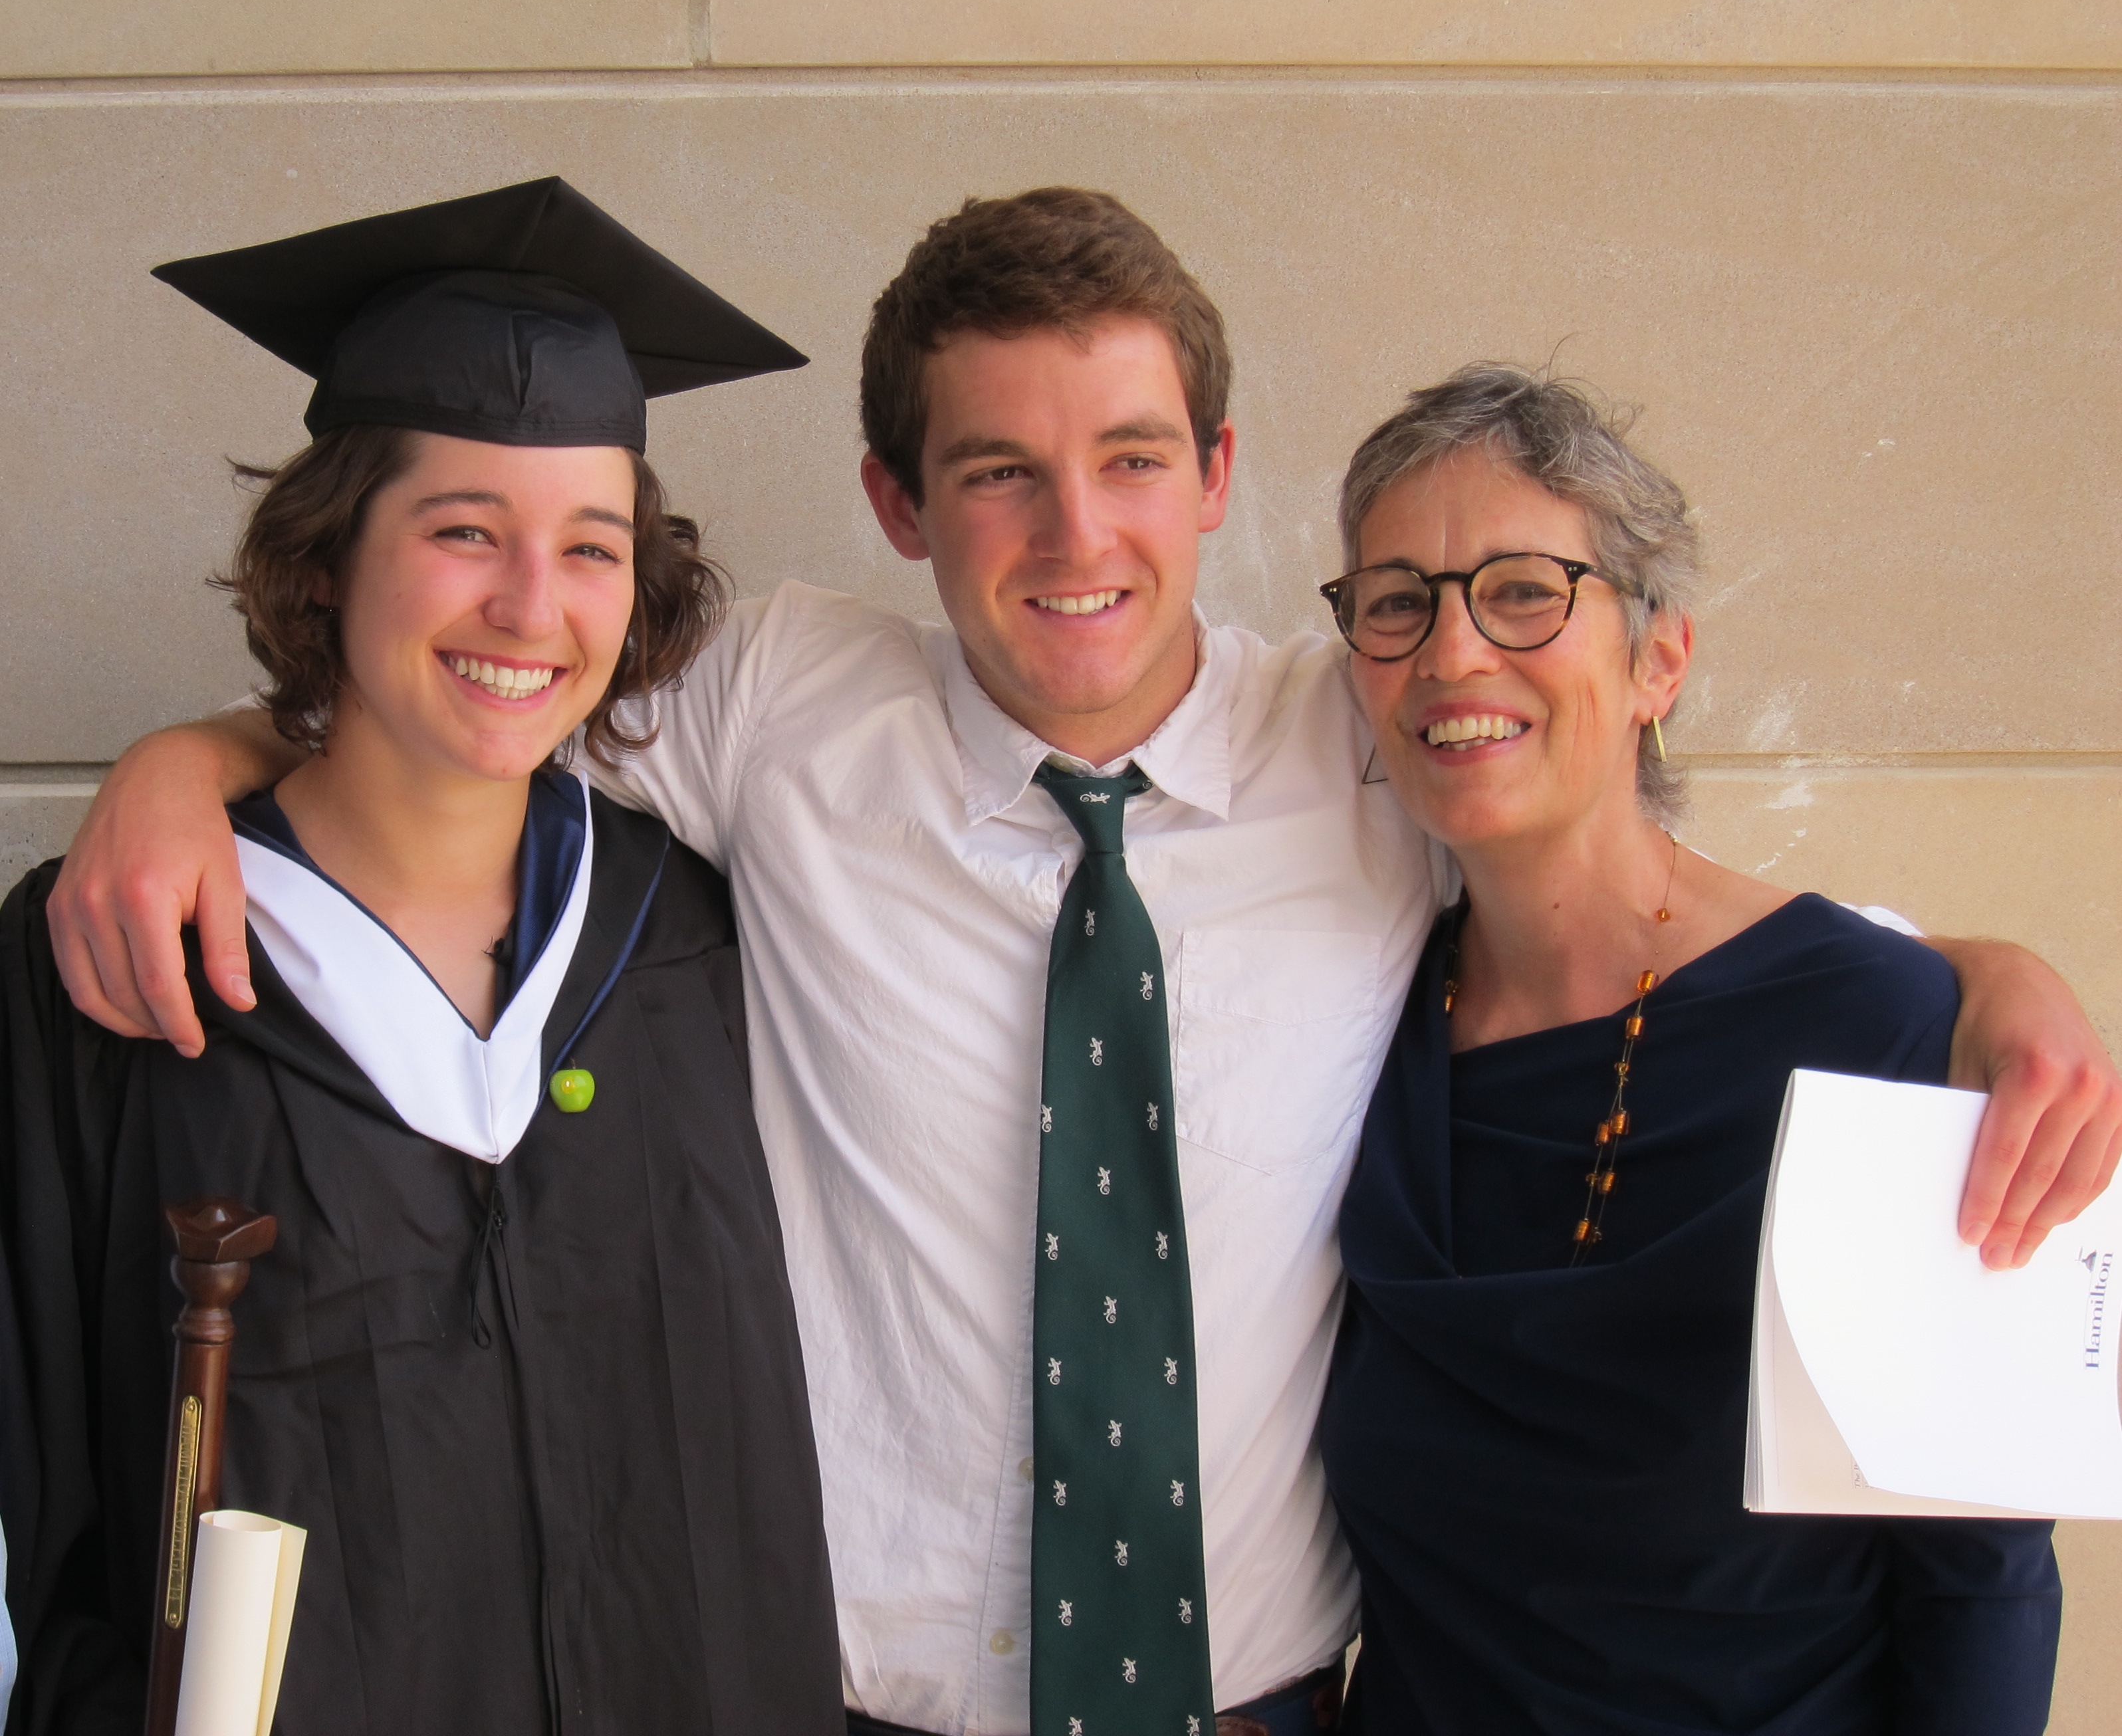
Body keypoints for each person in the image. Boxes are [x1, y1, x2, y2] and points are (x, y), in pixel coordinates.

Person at [37, 191, 2121, 1736]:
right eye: (996, 473)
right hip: (859, 1700)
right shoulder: (774, 706)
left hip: (1277, 1703)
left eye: (1133, 461)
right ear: (891, 500)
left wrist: (1968, 979)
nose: (1076, 538)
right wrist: (190, 766)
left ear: (1217, 478)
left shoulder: (1373, 723)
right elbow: (462, 688)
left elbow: (1624, 877)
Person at [0, 179, 844, 1735]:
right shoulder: (118, 965)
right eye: (464, 530)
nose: (533, 604)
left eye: (592, 548)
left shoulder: (697, 940)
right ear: (328, 558)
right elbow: (43, 1495)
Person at [1318, 365, 2063, 1733]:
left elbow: (1979, 1579)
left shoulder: (1875, 1031)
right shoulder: (1355, 1030)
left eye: (1526, 591)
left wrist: (1993, 977)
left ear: (1660, 659)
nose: (1451, 653)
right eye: (1395, 603)